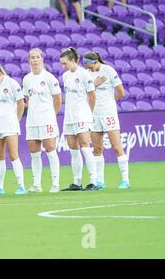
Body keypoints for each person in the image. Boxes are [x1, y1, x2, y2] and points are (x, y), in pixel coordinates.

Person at [83, 51, 130, 189]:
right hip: (93, 115)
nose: (88, 68)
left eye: (89, 65)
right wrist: (94, 84)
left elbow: (121, 92)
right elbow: (84, 92)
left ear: (95, 61)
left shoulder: (108, 70)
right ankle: (100, 181)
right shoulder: (86, 74)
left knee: (116, 147)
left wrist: (110, 102)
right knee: (97, 149)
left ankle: (125, 179)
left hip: (108, 114)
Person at [22, 48, 62, 193]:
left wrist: (52, 115)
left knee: (51, 150)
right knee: (34, 153)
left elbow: (58, 100)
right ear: (29, 60)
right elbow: (26, 99)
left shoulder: (50, 78)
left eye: (37, 57)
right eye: (32, 57)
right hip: (32, 121)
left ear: (42, 59)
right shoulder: (26, 79)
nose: (35, 60)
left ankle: (55, 183)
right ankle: (37, 185)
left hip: (47, 120)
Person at [59, 48, 98, 192]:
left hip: (82, 116)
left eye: (65, 63)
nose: (63, 66)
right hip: (69, 116)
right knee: (73, 149)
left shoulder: (84, 74)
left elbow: (92, 96)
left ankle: (93, 181)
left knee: (85, 147)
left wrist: (89, 114)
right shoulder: (65, 76)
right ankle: (77, 182)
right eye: (62, 64)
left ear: (72, 60)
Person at [0, 63, 27, 195]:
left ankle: (21, 185)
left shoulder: (12, 83)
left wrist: (17, 120)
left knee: (13, 155)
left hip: (10, 124)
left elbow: (21, 103)